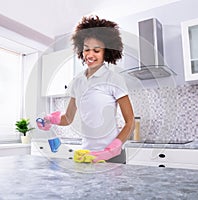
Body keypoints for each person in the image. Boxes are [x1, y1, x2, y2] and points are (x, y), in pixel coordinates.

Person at [37, 15, 135, 164]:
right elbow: (68, 118)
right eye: (86, 49)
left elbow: (130, 122)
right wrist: (51, 119)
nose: (90, 55)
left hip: (112, 156)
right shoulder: (77, 82)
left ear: (106, 52)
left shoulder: (114, 79)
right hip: (87, 155)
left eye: (96, 50)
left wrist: (112, 149)